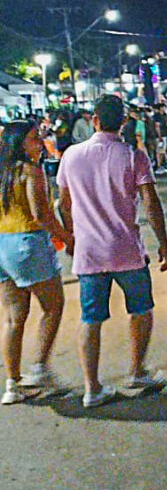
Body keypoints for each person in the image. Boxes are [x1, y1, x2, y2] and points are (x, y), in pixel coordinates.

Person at [57, 95, 167, 409]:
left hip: (89, 253)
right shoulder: (134, 156)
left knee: (90, 319)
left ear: (94, 120)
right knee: (141, 309)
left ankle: (92, 388)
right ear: (123, 122)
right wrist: (163, 242)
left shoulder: (71, 155)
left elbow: (63, 203)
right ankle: (137, 371)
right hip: (127, 251)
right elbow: (151, 202)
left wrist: (71, 237)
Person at [0, 121, 73, 405]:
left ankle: (12, 384)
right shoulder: (30, 171)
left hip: (2, 246)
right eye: (34, 138)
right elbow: (41, 215)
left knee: (13, 318)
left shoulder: (3, 172)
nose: (40, 143)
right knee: (53, 306)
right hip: (27, 243)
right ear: (19, 143)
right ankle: (40, 369)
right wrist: (67, 238)